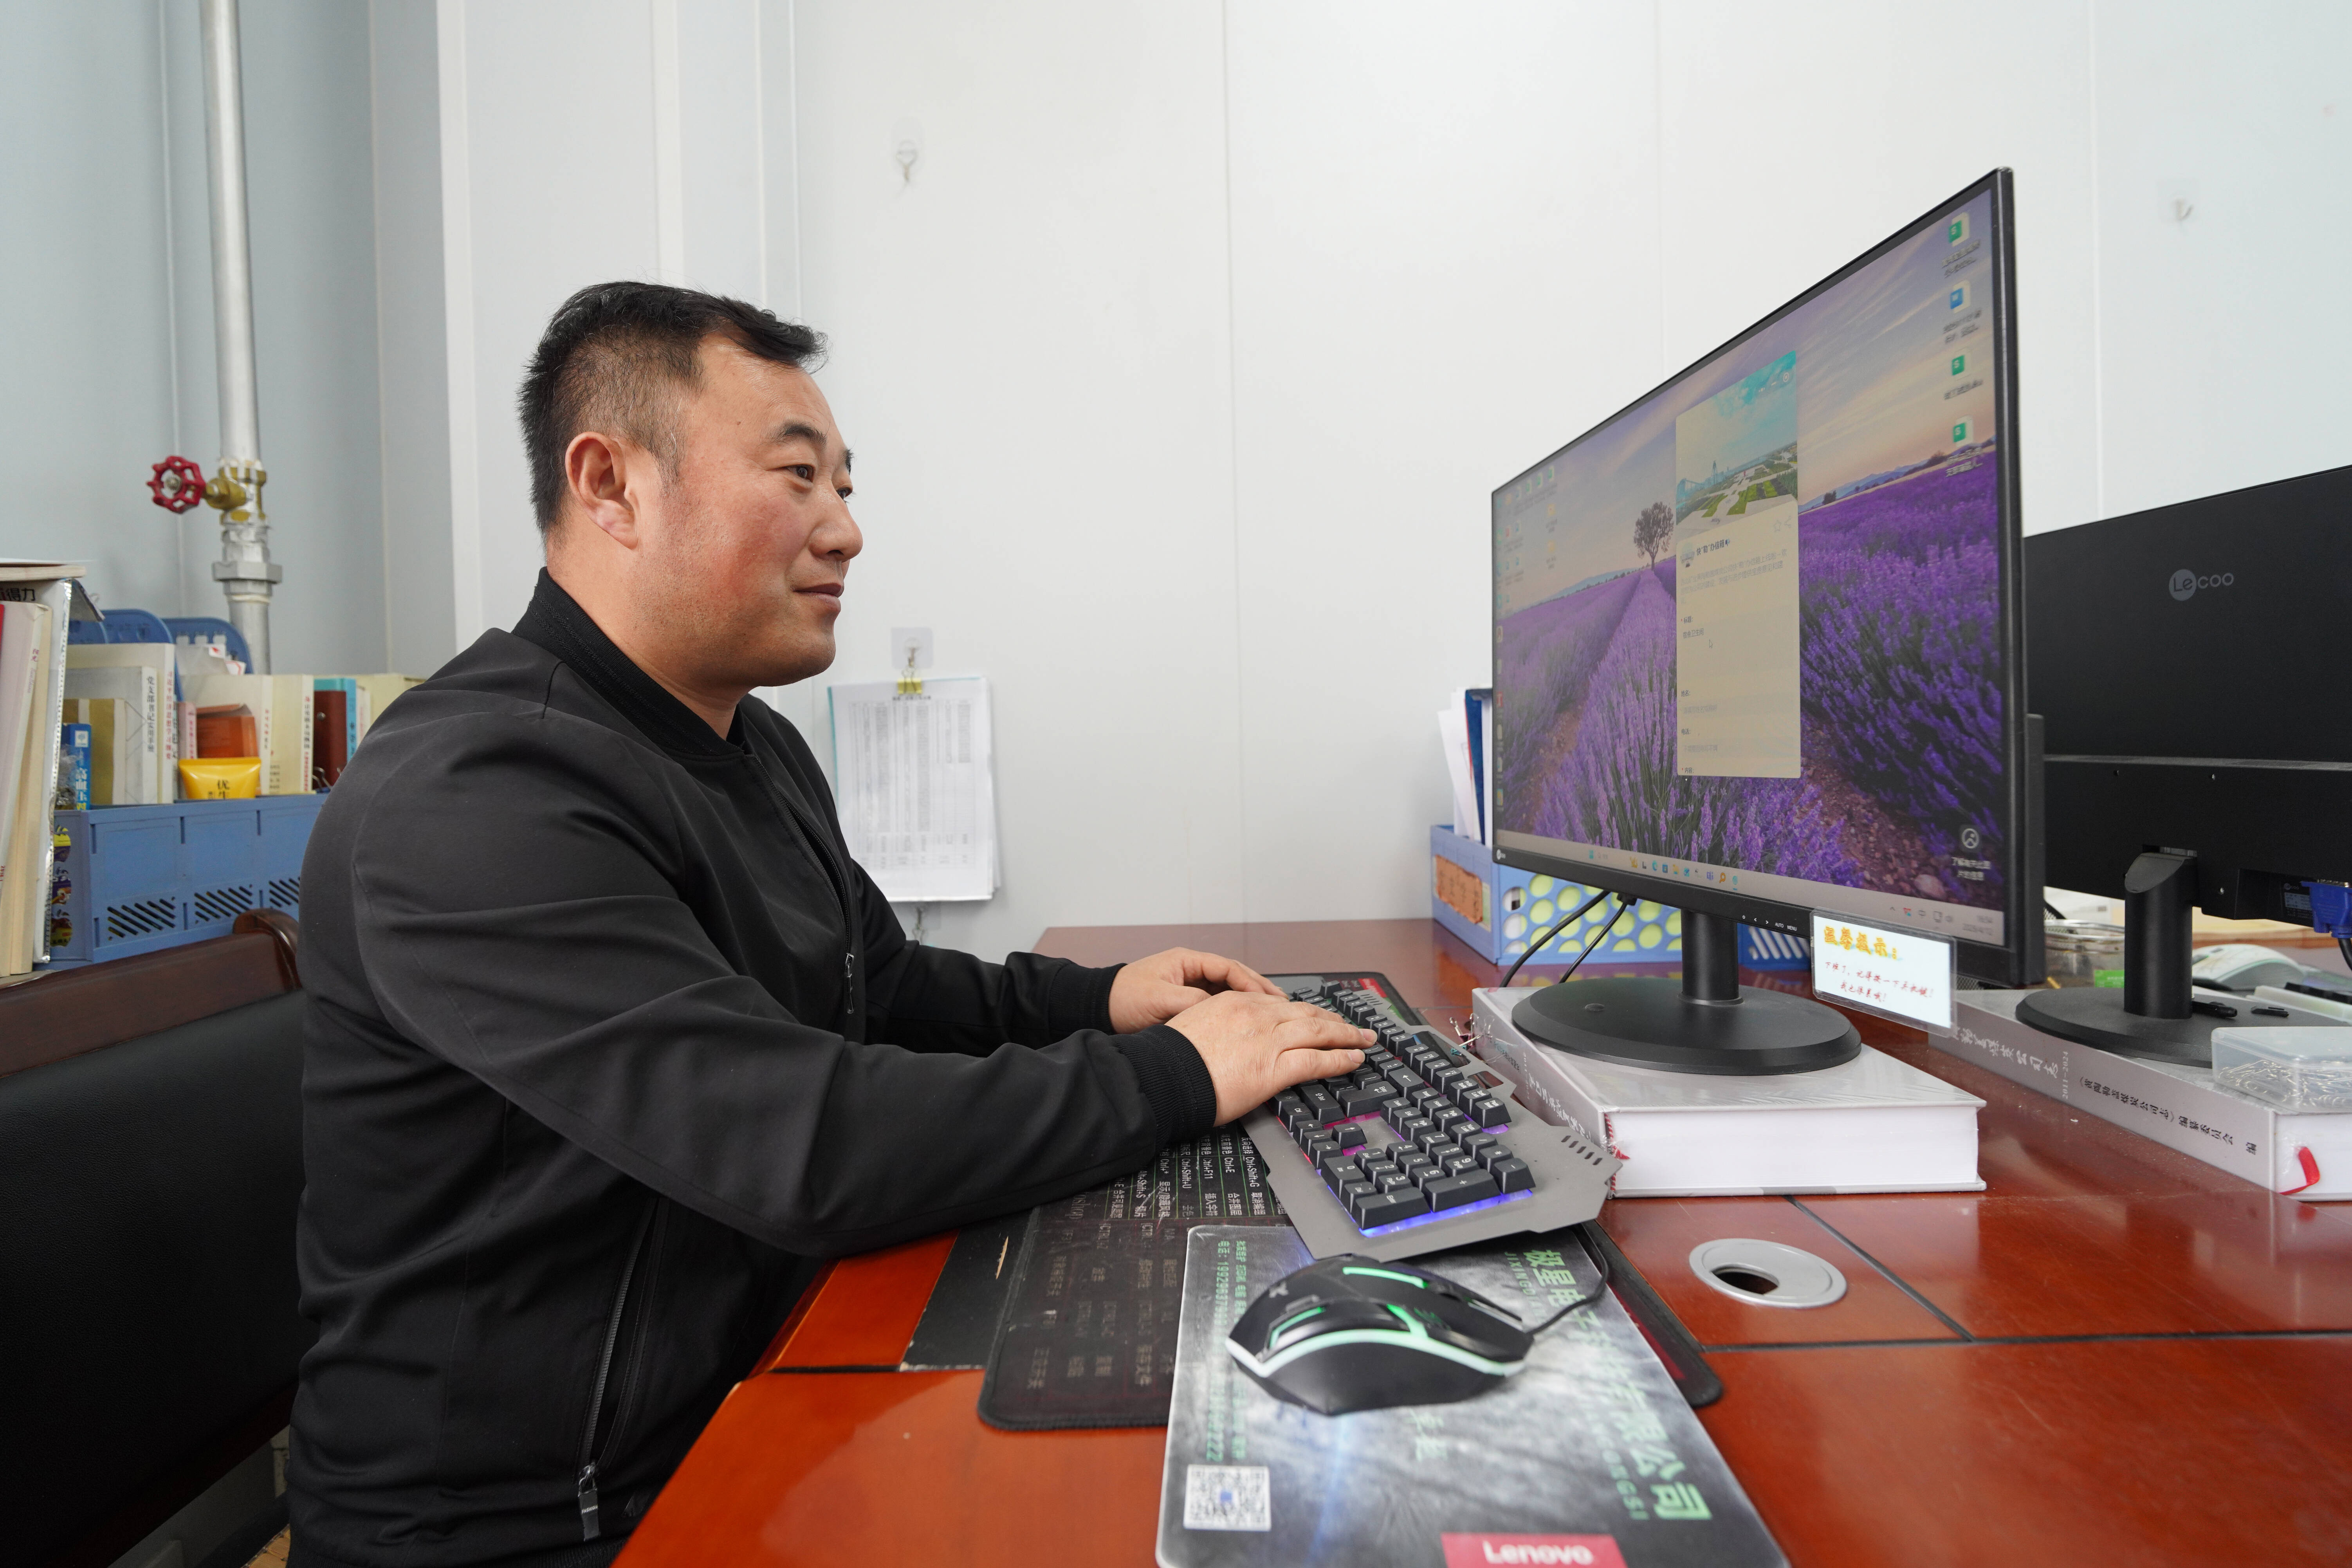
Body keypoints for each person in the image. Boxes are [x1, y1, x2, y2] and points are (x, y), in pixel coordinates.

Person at [285, 282, 1369, 1568]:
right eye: (798, 476)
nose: (846, 529)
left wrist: (1101, 1000)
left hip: (743, 1396)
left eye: (845, 485)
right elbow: (804, 1144)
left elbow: (881, 985)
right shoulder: (474, 794)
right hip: (536, 1526)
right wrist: (1179, 1077)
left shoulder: (747, 744)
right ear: (611, 485)